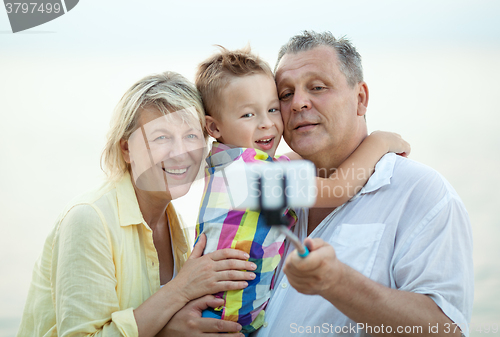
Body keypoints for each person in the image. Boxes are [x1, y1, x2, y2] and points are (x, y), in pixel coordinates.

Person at [252, 31, 474, 337]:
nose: (299, 103)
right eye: (286, 94)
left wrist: (338, 283)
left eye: (317, 87)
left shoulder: (421, 191)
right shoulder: (273, 180)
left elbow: (446, 330)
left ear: (360, 99)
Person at [16, 71, 257, 337]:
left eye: (190, 136)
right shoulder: (88, 219)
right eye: (161, 137)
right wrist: (182, 289)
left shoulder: (172, 219)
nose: (180, 153)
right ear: (126, 149)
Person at [192, 47, 410, 336]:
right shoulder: (252, 173)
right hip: (226, 321)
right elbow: (337, 189)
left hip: (221, 312)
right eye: (248, 114)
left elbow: (288, 165)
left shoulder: (224, 166)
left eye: (272, 108)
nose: (266, 123)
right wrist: (380, 142)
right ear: (214, 127)